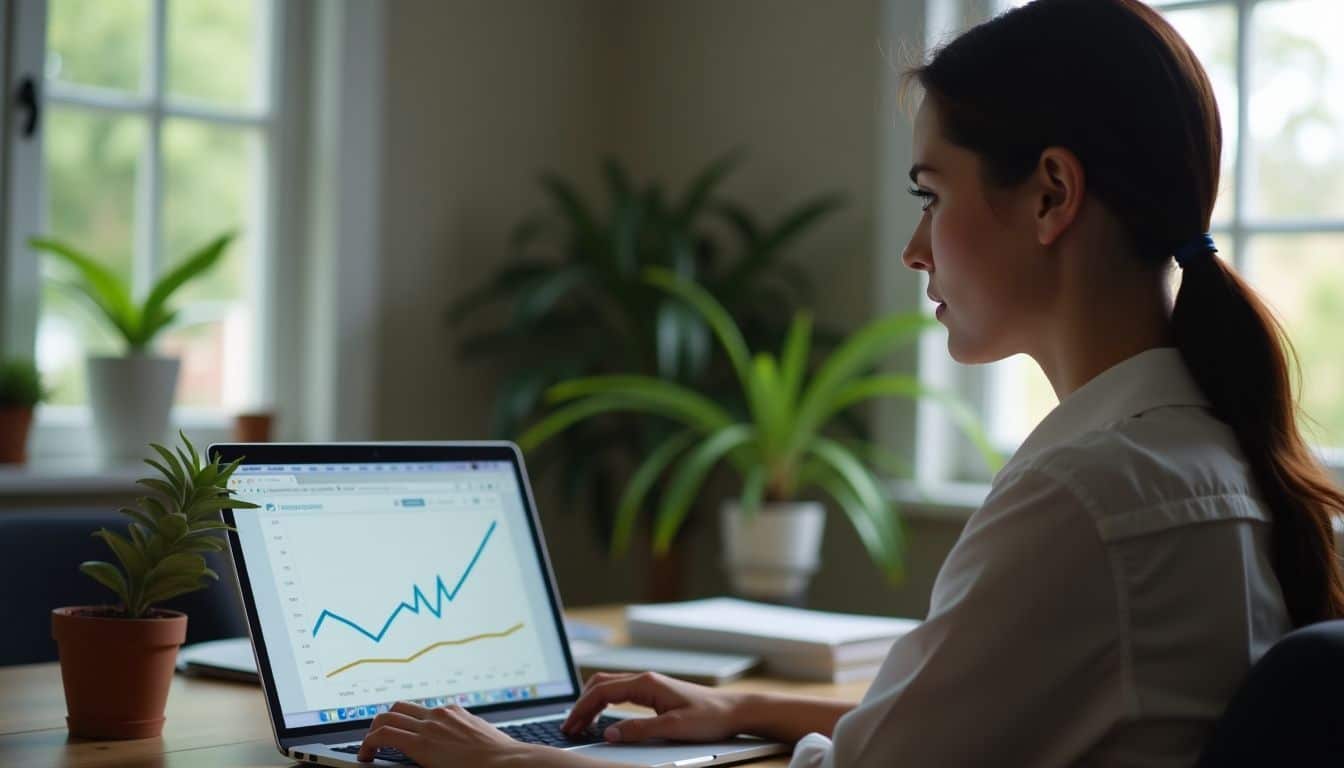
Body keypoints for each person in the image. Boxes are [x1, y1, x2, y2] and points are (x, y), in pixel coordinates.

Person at [356, 0, 1344, 765]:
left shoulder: (1089, 497)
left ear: (1051, 194)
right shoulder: (1203, 449)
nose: (916, 248)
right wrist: (744, 706)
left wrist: (496, 759)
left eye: (932, 194)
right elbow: (963, 710)